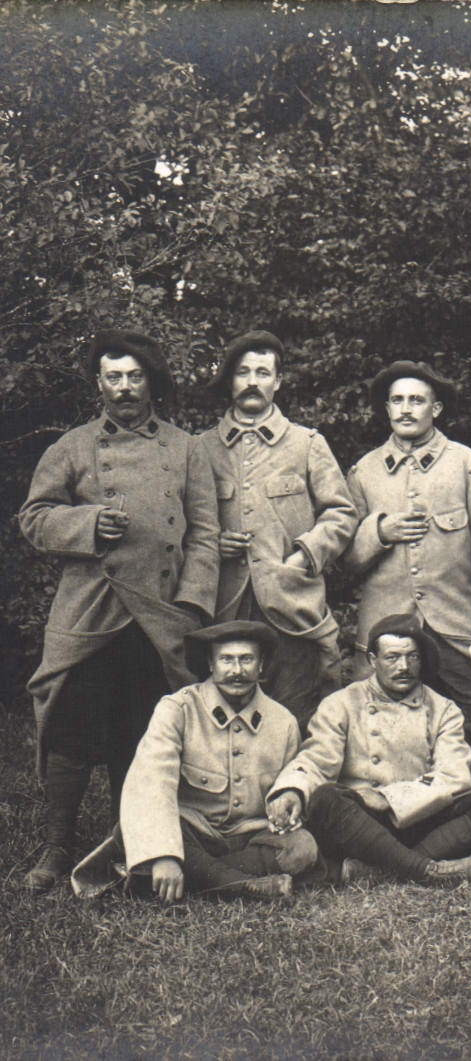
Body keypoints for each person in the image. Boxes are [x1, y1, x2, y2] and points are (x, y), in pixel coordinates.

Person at [19, 330, 219, 892]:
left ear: (150, 381)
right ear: (99, 384)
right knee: (72, 728)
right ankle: (58, 847)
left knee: (140, 731)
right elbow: (34, 518)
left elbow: (206, 533)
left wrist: (191, 600)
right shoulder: (73, 446)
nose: (125, 388)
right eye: (114, 377)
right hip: (90, 608)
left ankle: (122, 842)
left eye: (135, 376)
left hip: (159, 614)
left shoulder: (186, 448)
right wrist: (86, 524)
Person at [72, 622, 318, 901]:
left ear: (261, 665)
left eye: (246, 659)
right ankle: (245, 887)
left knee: (302, 847)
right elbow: (151, 780)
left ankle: (186, 879)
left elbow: (292, 777)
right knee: (142, 832)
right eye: (226, 659)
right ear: (211, 664)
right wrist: (165, 854)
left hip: (247, 836)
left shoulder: (282, 721)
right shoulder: (178, 709)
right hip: (189, 831)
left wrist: (289, 793)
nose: (237, 671)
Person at [264, 614, 471, 884]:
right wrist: (292, 790)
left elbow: (455, 777)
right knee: (326, 798)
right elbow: (316, 759)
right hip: (362, 824)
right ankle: (427, 870)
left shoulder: (443, 709)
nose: (403, 666)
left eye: (412, 657)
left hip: (421, 815)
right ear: (372, 661)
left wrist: (391, 799)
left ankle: (384, 870)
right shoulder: (342, 703)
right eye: (392, 658)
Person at [344, 360, 471, 770]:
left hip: (456, 627)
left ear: (436, 409)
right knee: (384, 732)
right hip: (387, 632)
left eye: (417, 400)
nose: (406, 409)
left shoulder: (468, 465)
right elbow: (345, 563)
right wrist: (380, 532)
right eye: (397, 400)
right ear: (386, 409)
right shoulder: (363, 472)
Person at [195, 330, 357, 727]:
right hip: (223, 606)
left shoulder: (306, 443)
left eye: (263, 373)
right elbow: (182, 522)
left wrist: (305, 555)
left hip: (290, 604)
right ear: (231, 381)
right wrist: (212, 542)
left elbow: (341, 513)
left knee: (293, 713)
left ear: (278, 382)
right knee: (221, 714)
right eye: (243, 372)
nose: (252, 382)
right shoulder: (200, 448)